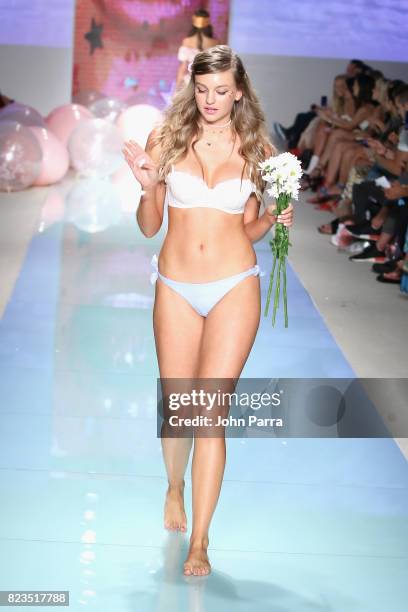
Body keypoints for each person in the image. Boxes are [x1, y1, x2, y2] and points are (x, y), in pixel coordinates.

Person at [122, 45, 294, 576]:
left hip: (233, 286)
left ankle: (200, 541)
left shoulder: (259, 151)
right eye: (202, 90)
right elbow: (150, 226)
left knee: (210, 415)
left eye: (221, 91)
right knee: (178, 409)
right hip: (175, 286)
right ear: (191, 88)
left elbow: (245, 227)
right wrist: (150, 188)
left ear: (238, 90)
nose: (211, 100)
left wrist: (273, 221)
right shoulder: (167, 140)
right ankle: (173, 487)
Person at [175, 8, 219, 91]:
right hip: (209, 84)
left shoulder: (187, 41)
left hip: (190, 83)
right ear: (208, 23)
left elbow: (183, 68)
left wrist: (176, 88)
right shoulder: (215, 42)